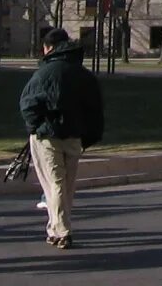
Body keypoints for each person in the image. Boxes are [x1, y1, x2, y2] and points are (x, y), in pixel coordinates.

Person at [19, 28, 104, 250]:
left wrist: (35, 127)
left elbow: (28, 104)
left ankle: (62, 231)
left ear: (49, 48)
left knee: (54, 184)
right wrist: (88, 136)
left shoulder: (45, 72)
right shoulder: (84, 74)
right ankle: (54, 228)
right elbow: (95, 110)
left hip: (48, 135)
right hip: (74, 136)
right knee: (66, 186)